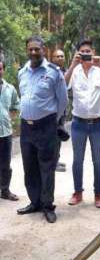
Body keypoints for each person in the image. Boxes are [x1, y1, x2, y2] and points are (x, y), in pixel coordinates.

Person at [65, 38, 100, 208]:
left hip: (98, 124)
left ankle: (98, 194)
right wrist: (72, 65)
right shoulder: (74, 71)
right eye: (82, 52)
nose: (85, 55)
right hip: (78, 124)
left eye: (88, 52)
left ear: (93, 52)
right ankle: (78, 192)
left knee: (98, 160)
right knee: (77, 160)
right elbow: (63, 84)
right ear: (78, 54)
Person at [17, 36, 68, 223]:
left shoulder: (54, 73)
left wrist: (52, 121)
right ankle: (35, 202)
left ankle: (47, 206)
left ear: (43, 50)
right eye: (30, 49)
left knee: (46, 168)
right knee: (29, 167)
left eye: (36, 49)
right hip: (26, 127)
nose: (33, 52)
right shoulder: (22, 72)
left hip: (46, 126)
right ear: (27, 50)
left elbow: (63, 101)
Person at [0, 59, 20, 201]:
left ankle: (5, 190)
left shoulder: (10, 89)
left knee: (5, 164)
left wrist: (8, 119)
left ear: (3, 70)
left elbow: (15, 107)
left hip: (5, 133)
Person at [52, 49, 68, 172]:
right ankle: (53, 162)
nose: (60, 58)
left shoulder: (64, 71)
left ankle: (56, 160)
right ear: (53, 58)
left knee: (59, 136)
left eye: (62, 56)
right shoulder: (51, 72)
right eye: (57, 56)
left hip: (62, 112)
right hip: (53, 112)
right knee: (53, 138)